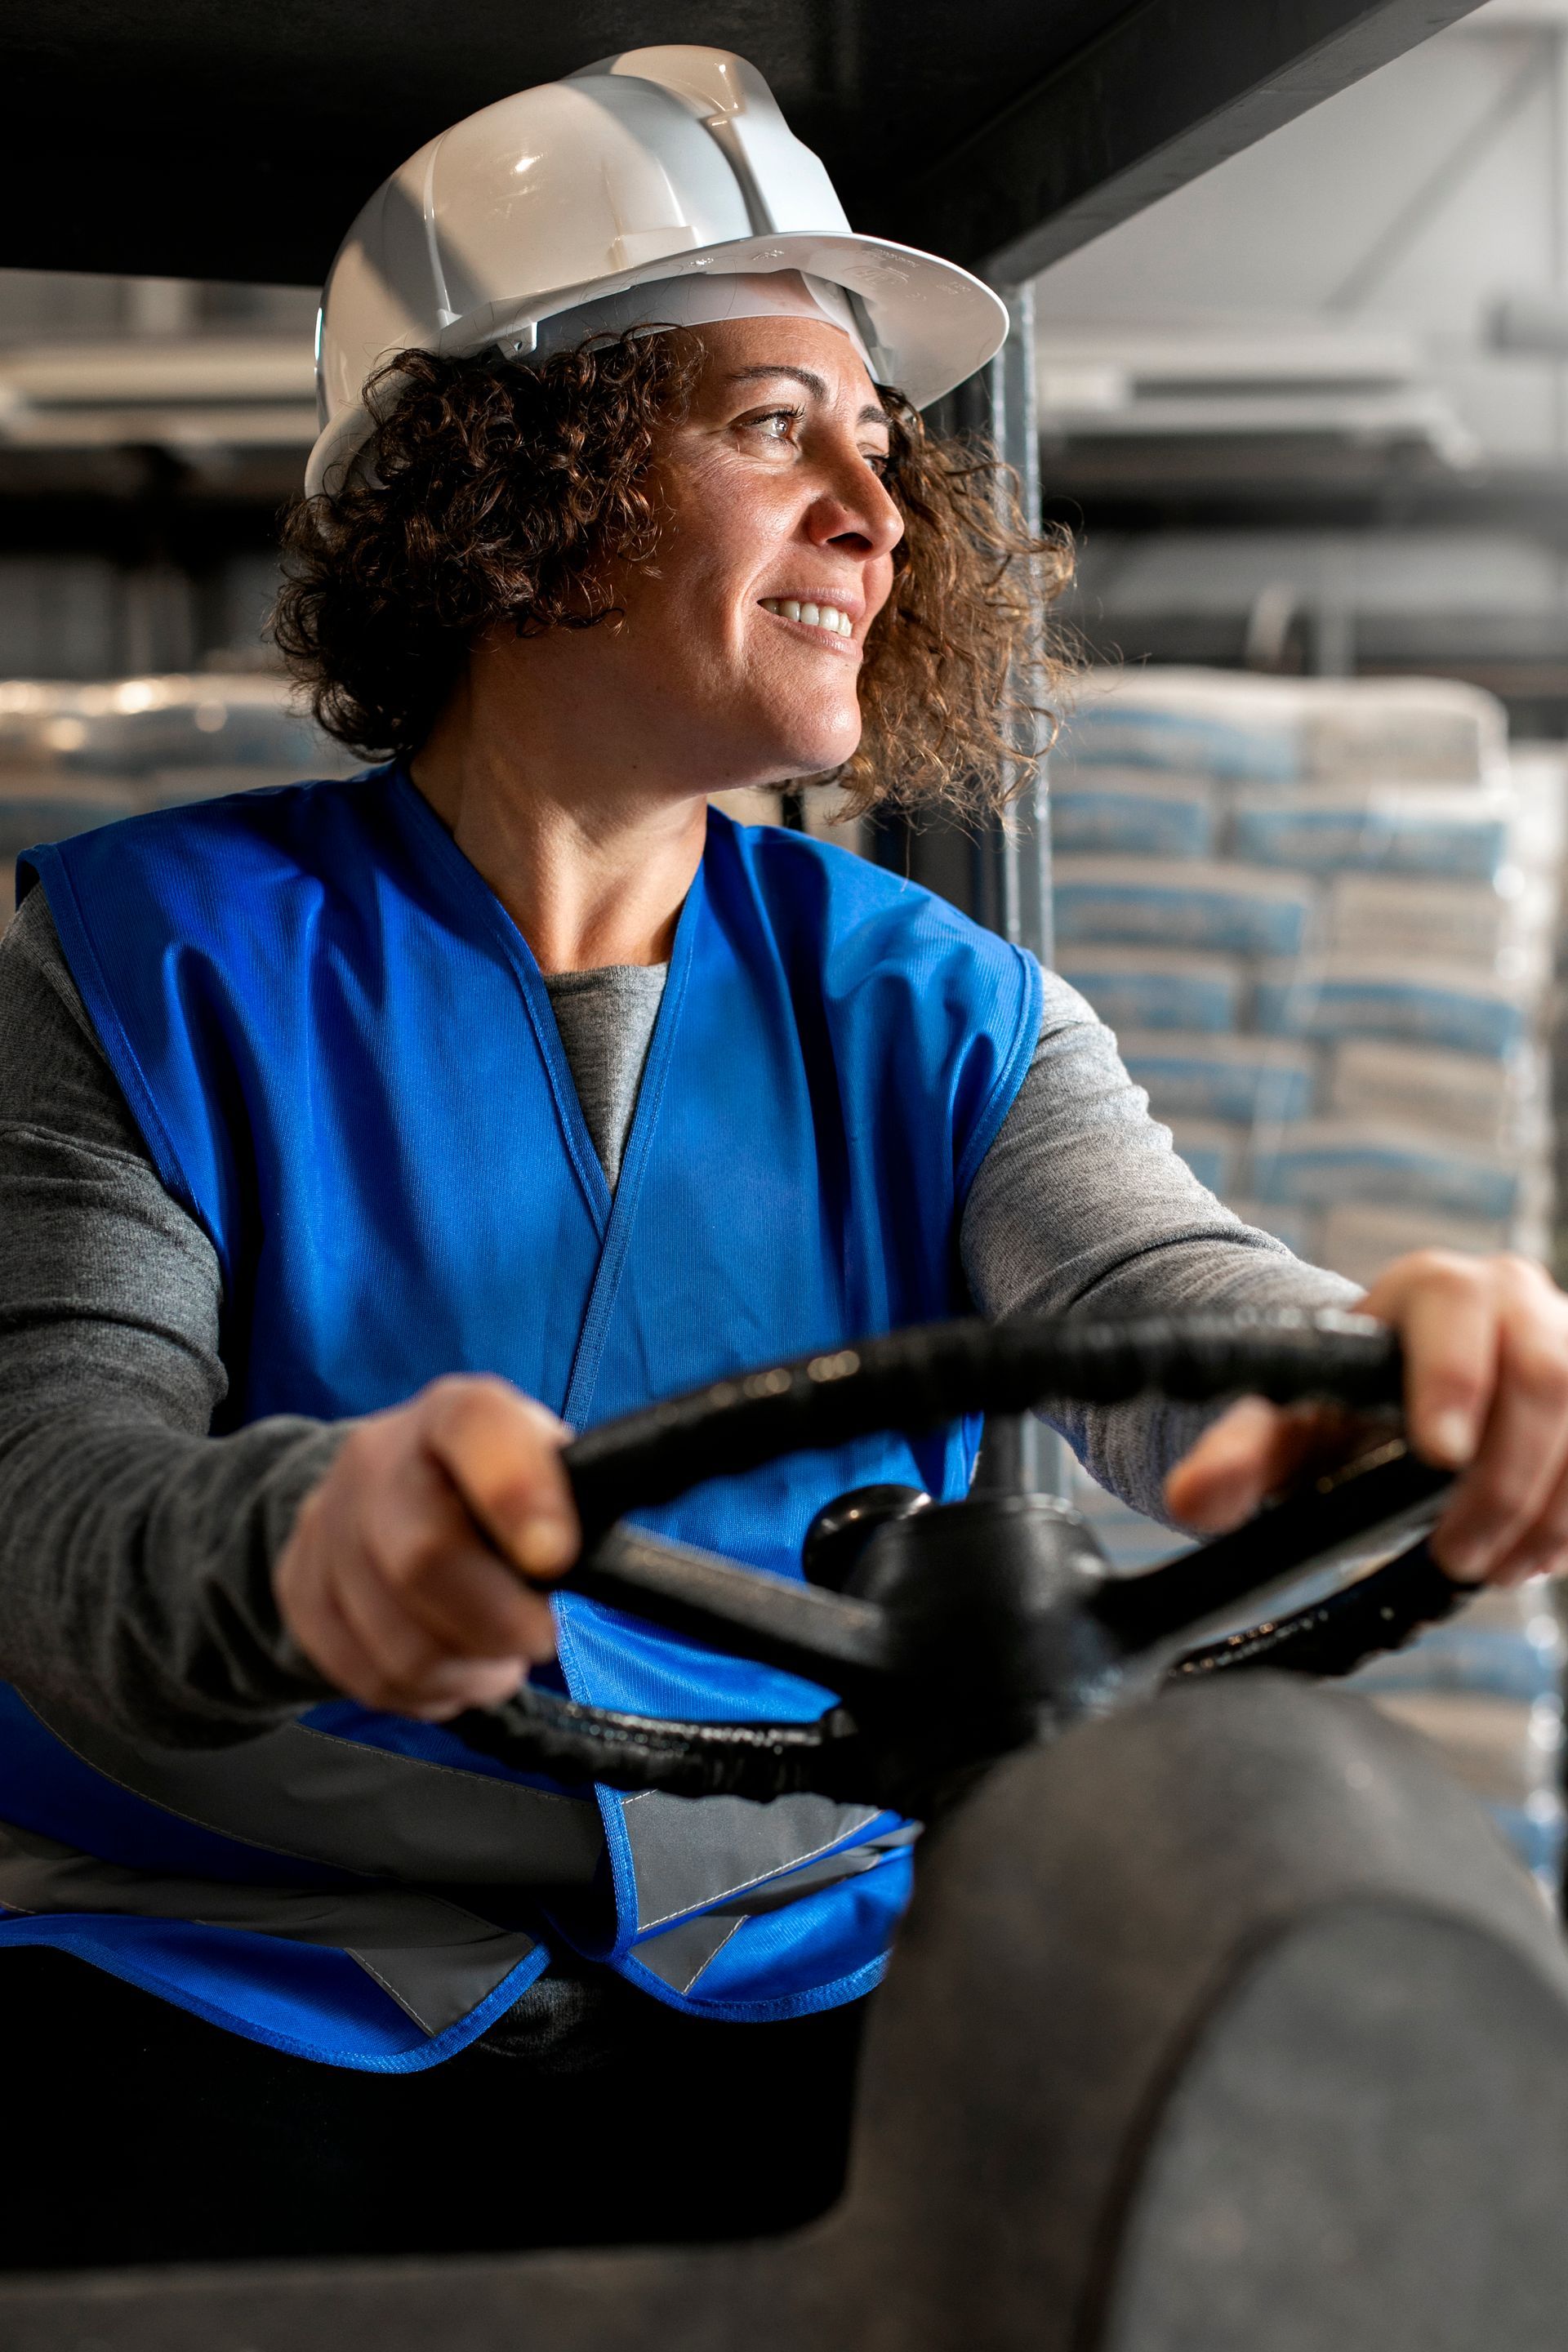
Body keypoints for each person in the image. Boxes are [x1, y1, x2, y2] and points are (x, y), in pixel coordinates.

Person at [2, 43, 1567, 2271]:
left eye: (878, 437)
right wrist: (297, 1540)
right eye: (772, 425)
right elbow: (53, 1493)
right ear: (504, 477)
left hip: (785, 1950)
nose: (880, 503)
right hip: (236, 1965)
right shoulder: (143, 962)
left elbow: (1147, 1296)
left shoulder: (932, 1001)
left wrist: (1345, 1381)